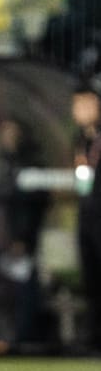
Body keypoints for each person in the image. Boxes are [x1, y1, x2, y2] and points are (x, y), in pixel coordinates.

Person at [72, 82, 101, 353]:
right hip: (88, 217)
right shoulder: (82, 140)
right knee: (91, 280)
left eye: (86, 104)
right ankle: (92, 337)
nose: (79, 110)